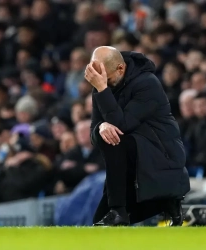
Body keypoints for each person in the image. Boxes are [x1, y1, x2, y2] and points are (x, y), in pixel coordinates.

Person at [84, 46, 190, 226]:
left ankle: (120, 210)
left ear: (120, 68)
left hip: (159, 152)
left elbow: (122, 124)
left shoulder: (147, 83)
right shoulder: (101, 85)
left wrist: (102, 89)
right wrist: (101, 126)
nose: (105, 84)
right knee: (99, 223)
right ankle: (162, 204)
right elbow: (94, 135)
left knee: (114, 140)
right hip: (128, 153)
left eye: (107, 80)